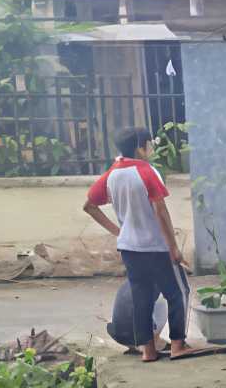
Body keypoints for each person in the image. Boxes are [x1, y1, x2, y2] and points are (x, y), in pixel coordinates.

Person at [83, 127, 195, 362]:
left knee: (141, 297)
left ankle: (148, 350)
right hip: (156, 246)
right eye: (149, 144)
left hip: (129, 248)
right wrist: (173, 247)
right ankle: (177, 344)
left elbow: (89, 206)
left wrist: (118, 230)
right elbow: (161, 210)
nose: (151, 149)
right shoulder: (147, 171)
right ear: (140, 148)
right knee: (178, 292)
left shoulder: (112, 174)